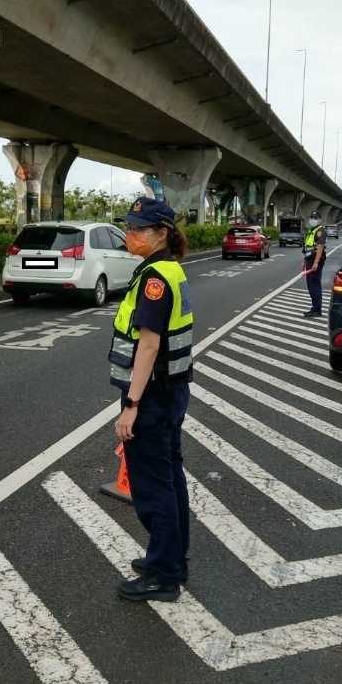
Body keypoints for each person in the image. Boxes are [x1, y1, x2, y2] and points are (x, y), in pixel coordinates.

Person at [108, 197, 194, 602]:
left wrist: (131, 406)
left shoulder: (155, 279)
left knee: (153, 486)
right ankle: (173, 558)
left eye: (139, 229)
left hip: (153, 396)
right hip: (172, 391)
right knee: (170, 476)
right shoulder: (169, 270)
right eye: (129, 226)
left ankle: (163, 575)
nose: (131, 234)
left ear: (161, 234)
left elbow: (148, 345)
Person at [302, 212, 327, 317]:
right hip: (309, 260)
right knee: (311, 286)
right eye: (312, 218)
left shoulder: (320, 231)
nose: (313, 220)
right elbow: (308, 248)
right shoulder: (311, 231)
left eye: (315, 218)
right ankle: (315, 308)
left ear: (320, 220)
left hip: (315, 262)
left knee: (315, 286)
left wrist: (316, 262)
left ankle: (317, 310)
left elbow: (320, 247)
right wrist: (304, 262)